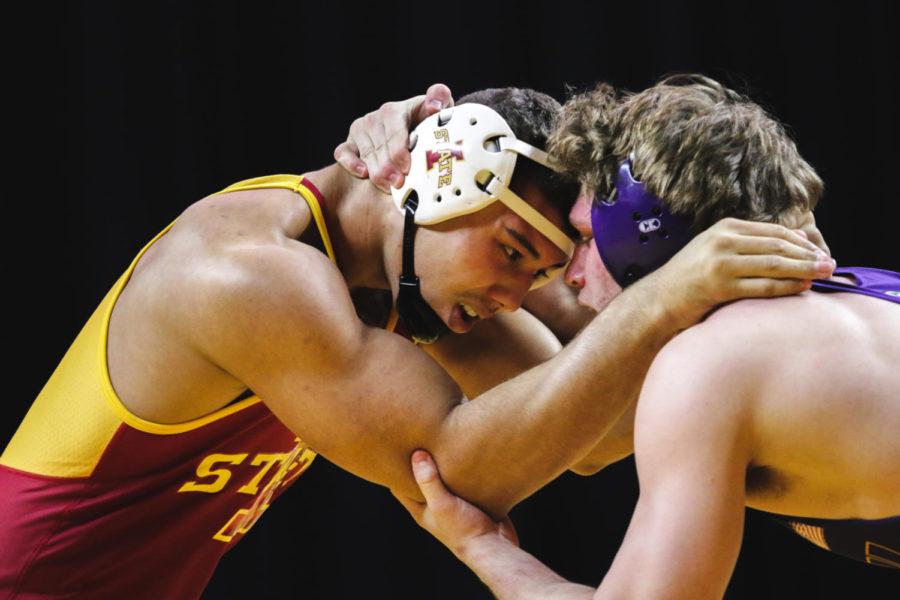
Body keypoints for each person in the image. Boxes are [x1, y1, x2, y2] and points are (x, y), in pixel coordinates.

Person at [0, 83, 830, 598]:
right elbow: (466, 475)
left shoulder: (414, 273)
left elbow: (594, 434)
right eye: (510, 253)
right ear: (437, 175)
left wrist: (761, 246)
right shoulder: (247, 273)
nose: (514, 297)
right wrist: (662, 308)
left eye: (536, 274)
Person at [384, 76, 900, 598]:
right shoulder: (868, 295)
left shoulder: (709, 367)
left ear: (644, 231)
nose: (571, 274)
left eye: (584, 238)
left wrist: (483, 548)